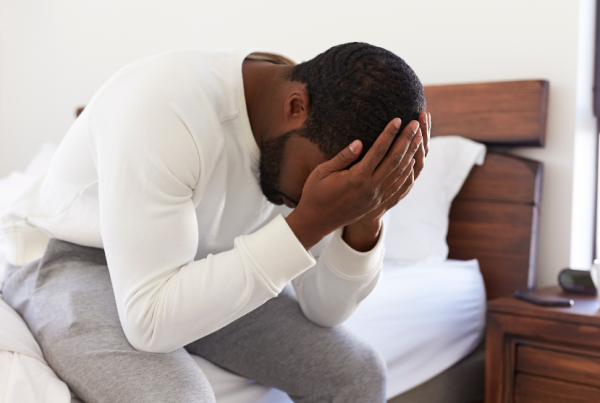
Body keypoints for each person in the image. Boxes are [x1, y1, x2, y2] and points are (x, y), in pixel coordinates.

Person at [1, 42, 429, 403]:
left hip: (194, 268)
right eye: (317, 185)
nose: (310, 198)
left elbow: (324, 311)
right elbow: (150, 321)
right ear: (295, 105)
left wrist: (366, 216)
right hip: (69, 258)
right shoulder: (166, 105)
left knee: (357, 374)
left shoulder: (321, 142)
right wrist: (310, 222)